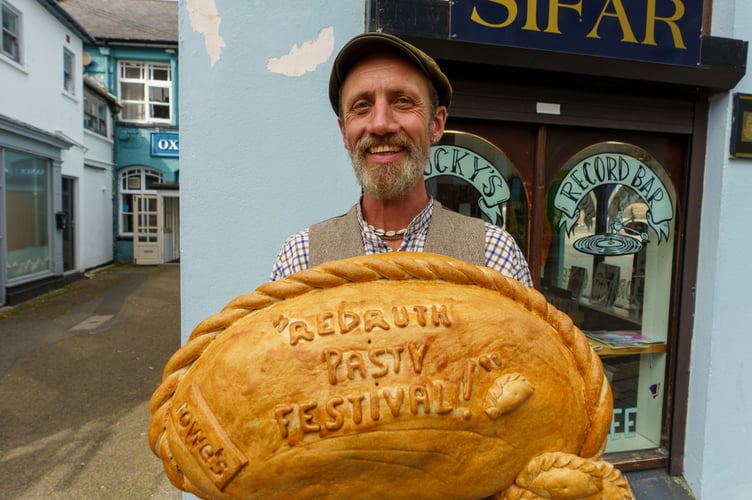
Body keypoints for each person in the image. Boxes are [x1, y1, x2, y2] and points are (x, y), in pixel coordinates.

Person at [270, 32, 532, 287]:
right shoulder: (300, 258)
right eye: (362, 106)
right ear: (344, 133)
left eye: (403, 101)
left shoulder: (494, 255)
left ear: (436, 124)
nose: (381, 124)